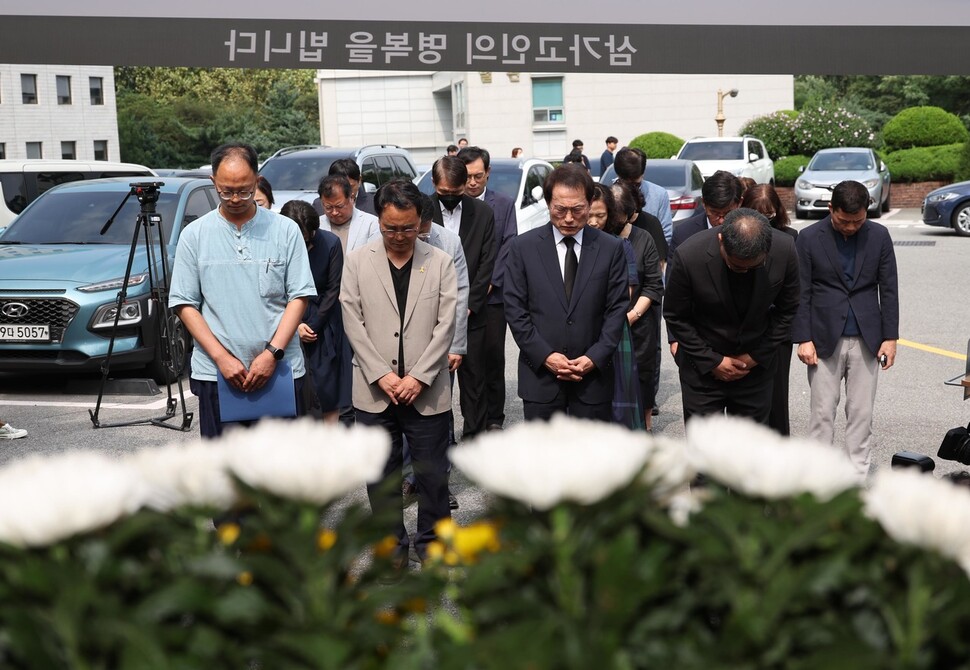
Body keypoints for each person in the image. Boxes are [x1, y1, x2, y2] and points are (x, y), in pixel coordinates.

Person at [339, 178, 457, 565]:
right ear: (378, 221)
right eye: (391, 228)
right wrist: (382, 375)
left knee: (434, 477)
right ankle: (391, 551)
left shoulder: (439, 262)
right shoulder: (357, 261)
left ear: (420, 220)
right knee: (381, 479)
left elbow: (446, 324)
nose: (400, 236)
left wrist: (419, 376)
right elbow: (352, 320)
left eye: (408, 228)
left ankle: (433, 546)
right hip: (375, 392)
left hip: (427, 390)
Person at [169, 143, 316, 438]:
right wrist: (222, 358)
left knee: (280, 470)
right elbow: (184, 303)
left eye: (245, 190)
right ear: (213, 182)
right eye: (226, 191)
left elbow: (299, 296)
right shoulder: (194, 235)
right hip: (217, 374)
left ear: (257, 180)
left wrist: (271, 354)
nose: (236, 198)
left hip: (280, 370)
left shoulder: (285, 230)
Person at [504, 165, 628, 422]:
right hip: (540, 377)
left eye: (577, 209)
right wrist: (546, 356)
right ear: (548, 203)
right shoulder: (522, 248)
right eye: (560, 209)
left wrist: (594, 357)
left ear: (590, 202)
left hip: (593, 378)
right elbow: (515, 310)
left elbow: (616, 309)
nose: (569, 218)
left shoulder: (610, 248)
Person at [792, 180, 899, 477]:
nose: (851, 227)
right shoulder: (809, 238)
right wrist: (803, 338)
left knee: (862, 414)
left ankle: (856, 480)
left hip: (868, 337)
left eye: (858, 220)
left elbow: (889, 289)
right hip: (823, 336)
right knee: (822, 414)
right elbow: (801, 292)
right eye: (844, 220)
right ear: (831, 209)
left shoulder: (879, 236)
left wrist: (890, 338)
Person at [664, 208, 800, 425]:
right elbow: (675, 316)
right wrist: (713, 361)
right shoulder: (689, 255)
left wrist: (755, 357)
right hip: (703, 370)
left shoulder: (785, 249)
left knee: (749, 451)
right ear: (721, 241)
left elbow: (789, 310)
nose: (744, 271)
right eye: (735, 266)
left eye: (753, 266)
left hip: (755, 371)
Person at [402, 193, 470, 510]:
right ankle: (409, 479)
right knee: (402, 415)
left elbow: (460, 292)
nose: (422, 235)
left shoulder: (449, 242)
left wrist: (456, 345)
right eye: (419, 228)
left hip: (439, 344)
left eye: (426, 228)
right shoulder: (391, 236)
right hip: (399, 346)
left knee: (438, 416)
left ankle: (441, 485)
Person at [430, 156, 496, 441]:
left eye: (456, 194)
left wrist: (469, 304)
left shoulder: (482, 213)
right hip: (431, 311)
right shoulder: (421, 210)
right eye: (444, 194)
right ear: (434, 185)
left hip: (473, 313)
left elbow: (486, 263)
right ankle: (441, 440)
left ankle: (474, 439)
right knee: (436, 383)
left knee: (474, 381)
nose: (450, 200)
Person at [458, 145, 518, 431]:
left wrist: (491, 281)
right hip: (459, 295)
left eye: (478, 176)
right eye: (467, 177)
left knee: (493, 358)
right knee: (467, 363)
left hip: (493, 297)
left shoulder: (503, 205)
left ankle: (495, 417)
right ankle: (473, 420)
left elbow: (508, 245)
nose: (472, 182)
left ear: (488, 174)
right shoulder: (452, 205)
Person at [279, 199, 351, 424]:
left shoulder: (330, 243)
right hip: (287, 317)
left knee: (328, 387)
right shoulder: (277, 245)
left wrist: (313, 325)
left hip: (324, 319)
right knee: (294, 388)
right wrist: (296, 324)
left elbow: (333, 288)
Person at [741, 183, 797, 435]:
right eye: (756, 214)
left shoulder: (790, 238)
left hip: (776, 334)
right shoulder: (737, 237)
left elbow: (794, 293)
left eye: (769, 215)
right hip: (742, 331)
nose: (763, 221)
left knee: (776, 400)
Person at [609, 180, 664, 430]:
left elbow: (654, 283)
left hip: (639, 321)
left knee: (642, 372)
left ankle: (646, 424)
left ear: (632, 214)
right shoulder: (600, 238)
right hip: (607, 322)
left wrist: (631, 315)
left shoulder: (644, 238)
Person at [669, 170, 742, 259]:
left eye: (728, 213)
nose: (721, 221)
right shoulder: (683, 235)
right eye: (715, 213)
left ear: (739, 203)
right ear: (703, 203)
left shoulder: (752, 232)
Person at [612, 147, 673, 244]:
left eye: (636, 184)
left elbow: (666, 235)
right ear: (618, 174)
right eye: (626, 184)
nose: (632, 189)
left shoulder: (659, 195)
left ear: (643, 173)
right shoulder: (607, 196)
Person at [316, 174, 379, 254]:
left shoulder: (371, 224)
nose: (334, 212)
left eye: (339, 206)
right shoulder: (316, 226)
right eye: (328, 207)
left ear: (352, 198)